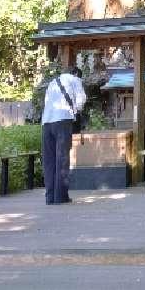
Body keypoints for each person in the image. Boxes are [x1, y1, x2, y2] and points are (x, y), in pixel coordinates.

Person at [41, 65, 86, 205]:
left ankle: (49, 197)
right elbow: (81, 100)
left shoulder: (52, 83)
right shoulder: (75, 79)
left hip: (46, 122)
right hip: (63, 120)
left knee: (49, 161)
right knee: (62, 159)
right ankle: (60, 197)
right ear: (77, 74)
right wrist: (77, 110)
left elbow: (46, 102)